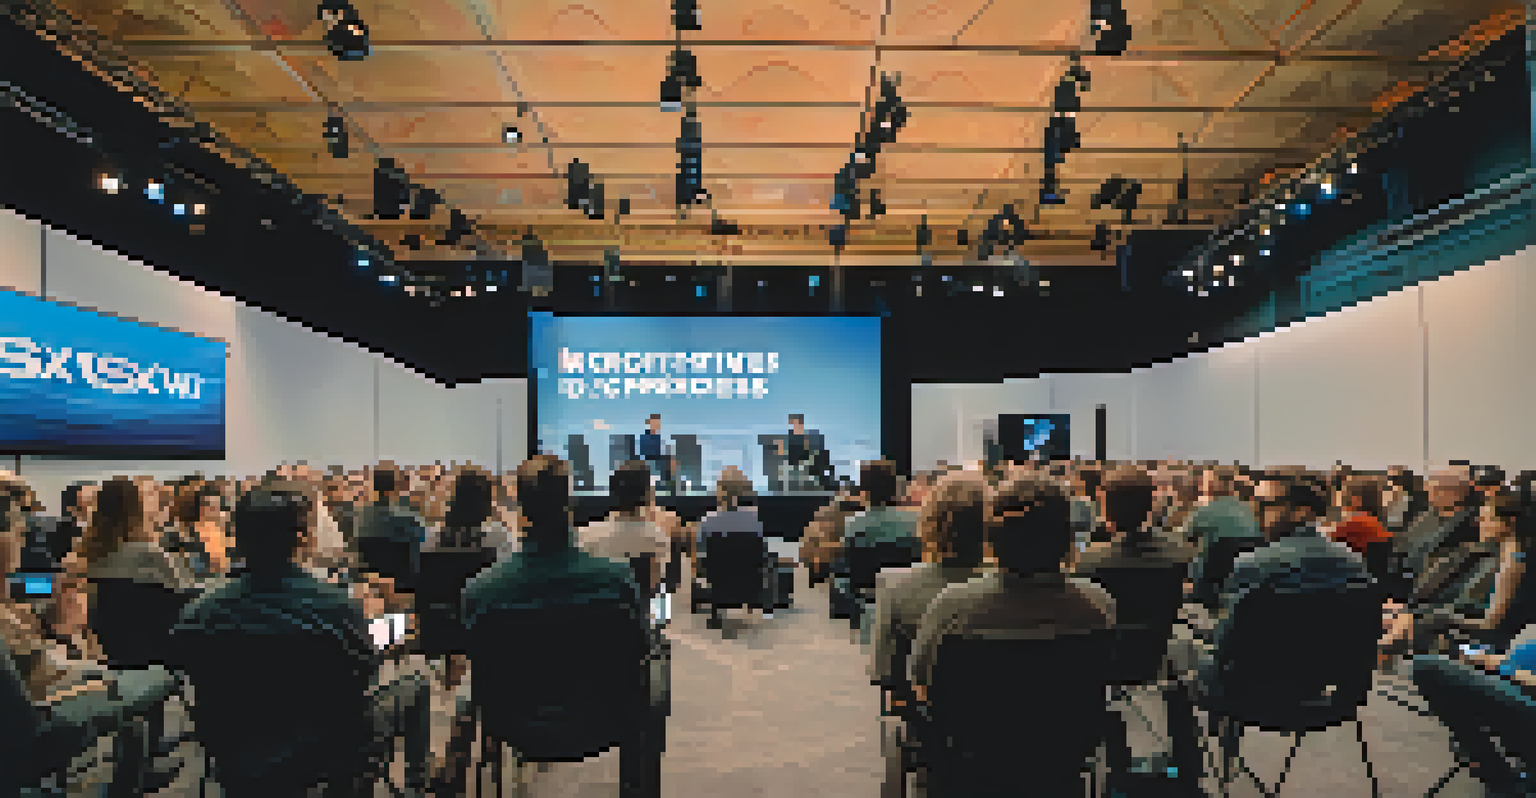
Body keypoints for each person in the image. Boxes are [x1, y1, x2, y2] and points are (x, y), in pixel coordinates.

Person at [167, 482, 434, 795]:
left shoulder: (200, 613)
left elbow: (181, 663)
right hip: (326, 748)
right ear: (300, 539)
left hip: (235, 751)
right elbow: (367, 663)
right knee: (416, 680)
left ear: (237, 538)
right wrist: (390, 622)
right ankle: (419, 785)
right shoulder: (337, 607)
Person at [453, 455, 659, 795]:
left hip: (512, 723)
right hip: (605, 719)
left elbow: (478, 660)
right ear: (570, 505)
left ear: (520, 509)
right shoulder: (618, 581)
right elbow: (640, 648)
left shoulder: (481, 590)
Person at [905, 471, 1116, 794]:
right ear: (1066, 539)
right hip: (1059, 759)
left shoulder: (952, 607)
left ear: (992, 540)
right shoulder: (1099, 605)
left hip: (969, 762)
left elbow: (921, 683)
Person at [1163, 471, 1374, 781]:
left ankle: (1187, 774)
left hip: (1248, 694)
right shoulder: (1354, 564)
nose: (1256, 512)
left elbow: (1226, 648)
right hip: (1332, 695)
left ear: (1302, 511)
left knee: (1177, 649)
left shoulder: (1253, 564)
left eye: (1265, 504)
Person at [866, 468, 989, 798]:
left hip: (940, 730)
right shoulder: (1023, 592)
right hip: (1025, 727)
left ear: (929, 523)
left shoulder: (896, 586)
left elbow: (885, 673)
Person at [1381, 488, 1533, 656]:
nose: (1479, 523)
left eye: (1486, 519)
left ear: (1509, 522)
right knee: (1406, 615)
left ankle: (1381, 650)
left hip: (1488, 639)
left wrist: (1439, 616)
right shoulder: (1503, 553)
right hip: (1470, 624)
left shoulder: (1513, 560)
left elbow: (1490, 623)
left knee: (1415, 619)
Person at [1410, 625, 1536, 797]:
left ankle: (1498, 775)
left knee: (1427, 668)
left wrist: (1509, 670)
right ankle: (1498, 775)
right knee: (1436, 665)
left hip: (1523, 695)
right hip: (1510, 678)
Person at [832, 459, 922, 633]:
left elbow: (850, 563)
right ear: (896, 489)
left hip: (867, 589)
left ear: (864, 491)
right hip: (907, 589)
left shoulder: (853, 524)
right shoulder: (916, 520)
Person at [579, 460, 672, 598]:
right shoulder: (658, 538)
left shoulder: (585, 535)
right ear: (648, 494)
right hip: (637, 616)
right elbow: (654, 591)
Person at [692, 466, 771, 627]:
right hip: (748, 580)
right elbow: (761, 554)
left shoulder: (708, 520)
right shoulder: (754, 519)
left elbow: (701, 555)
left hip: (717, 579)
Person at [1184, 465, 1263, 609]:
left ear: (1215, 483)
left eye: (1205, 481)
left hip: (1207, 585)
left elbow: (1181, 538)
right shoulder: (1252, 511)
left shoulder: (1205, 512)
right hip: (1244, 582)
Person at [351, 462, 428, 591]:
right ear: (395, 489)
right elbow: (421, 545)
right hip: (402, 586)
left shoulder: (361, 517)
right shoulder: (408, 519)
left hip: (371, 585)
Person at [1331, 475, 1392, 556]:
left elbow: (1329, 545)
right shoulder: (1382, 526)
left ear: (1355, 499)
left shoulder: (1351, 524)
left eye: (1345, 498)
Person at [638, 414, 678, 492]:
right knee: (667, 461)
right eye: (655, 423)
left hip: (656, 460)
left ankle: (667, 485)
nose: (657, 426)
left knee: (669, 460)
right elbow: (645, 453)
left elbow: (659, 451)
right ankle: (665, 485)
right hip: (649, 459)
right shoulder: (646, 437)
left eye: (658, 424)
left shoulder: (657, 437)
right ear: (650, 424)